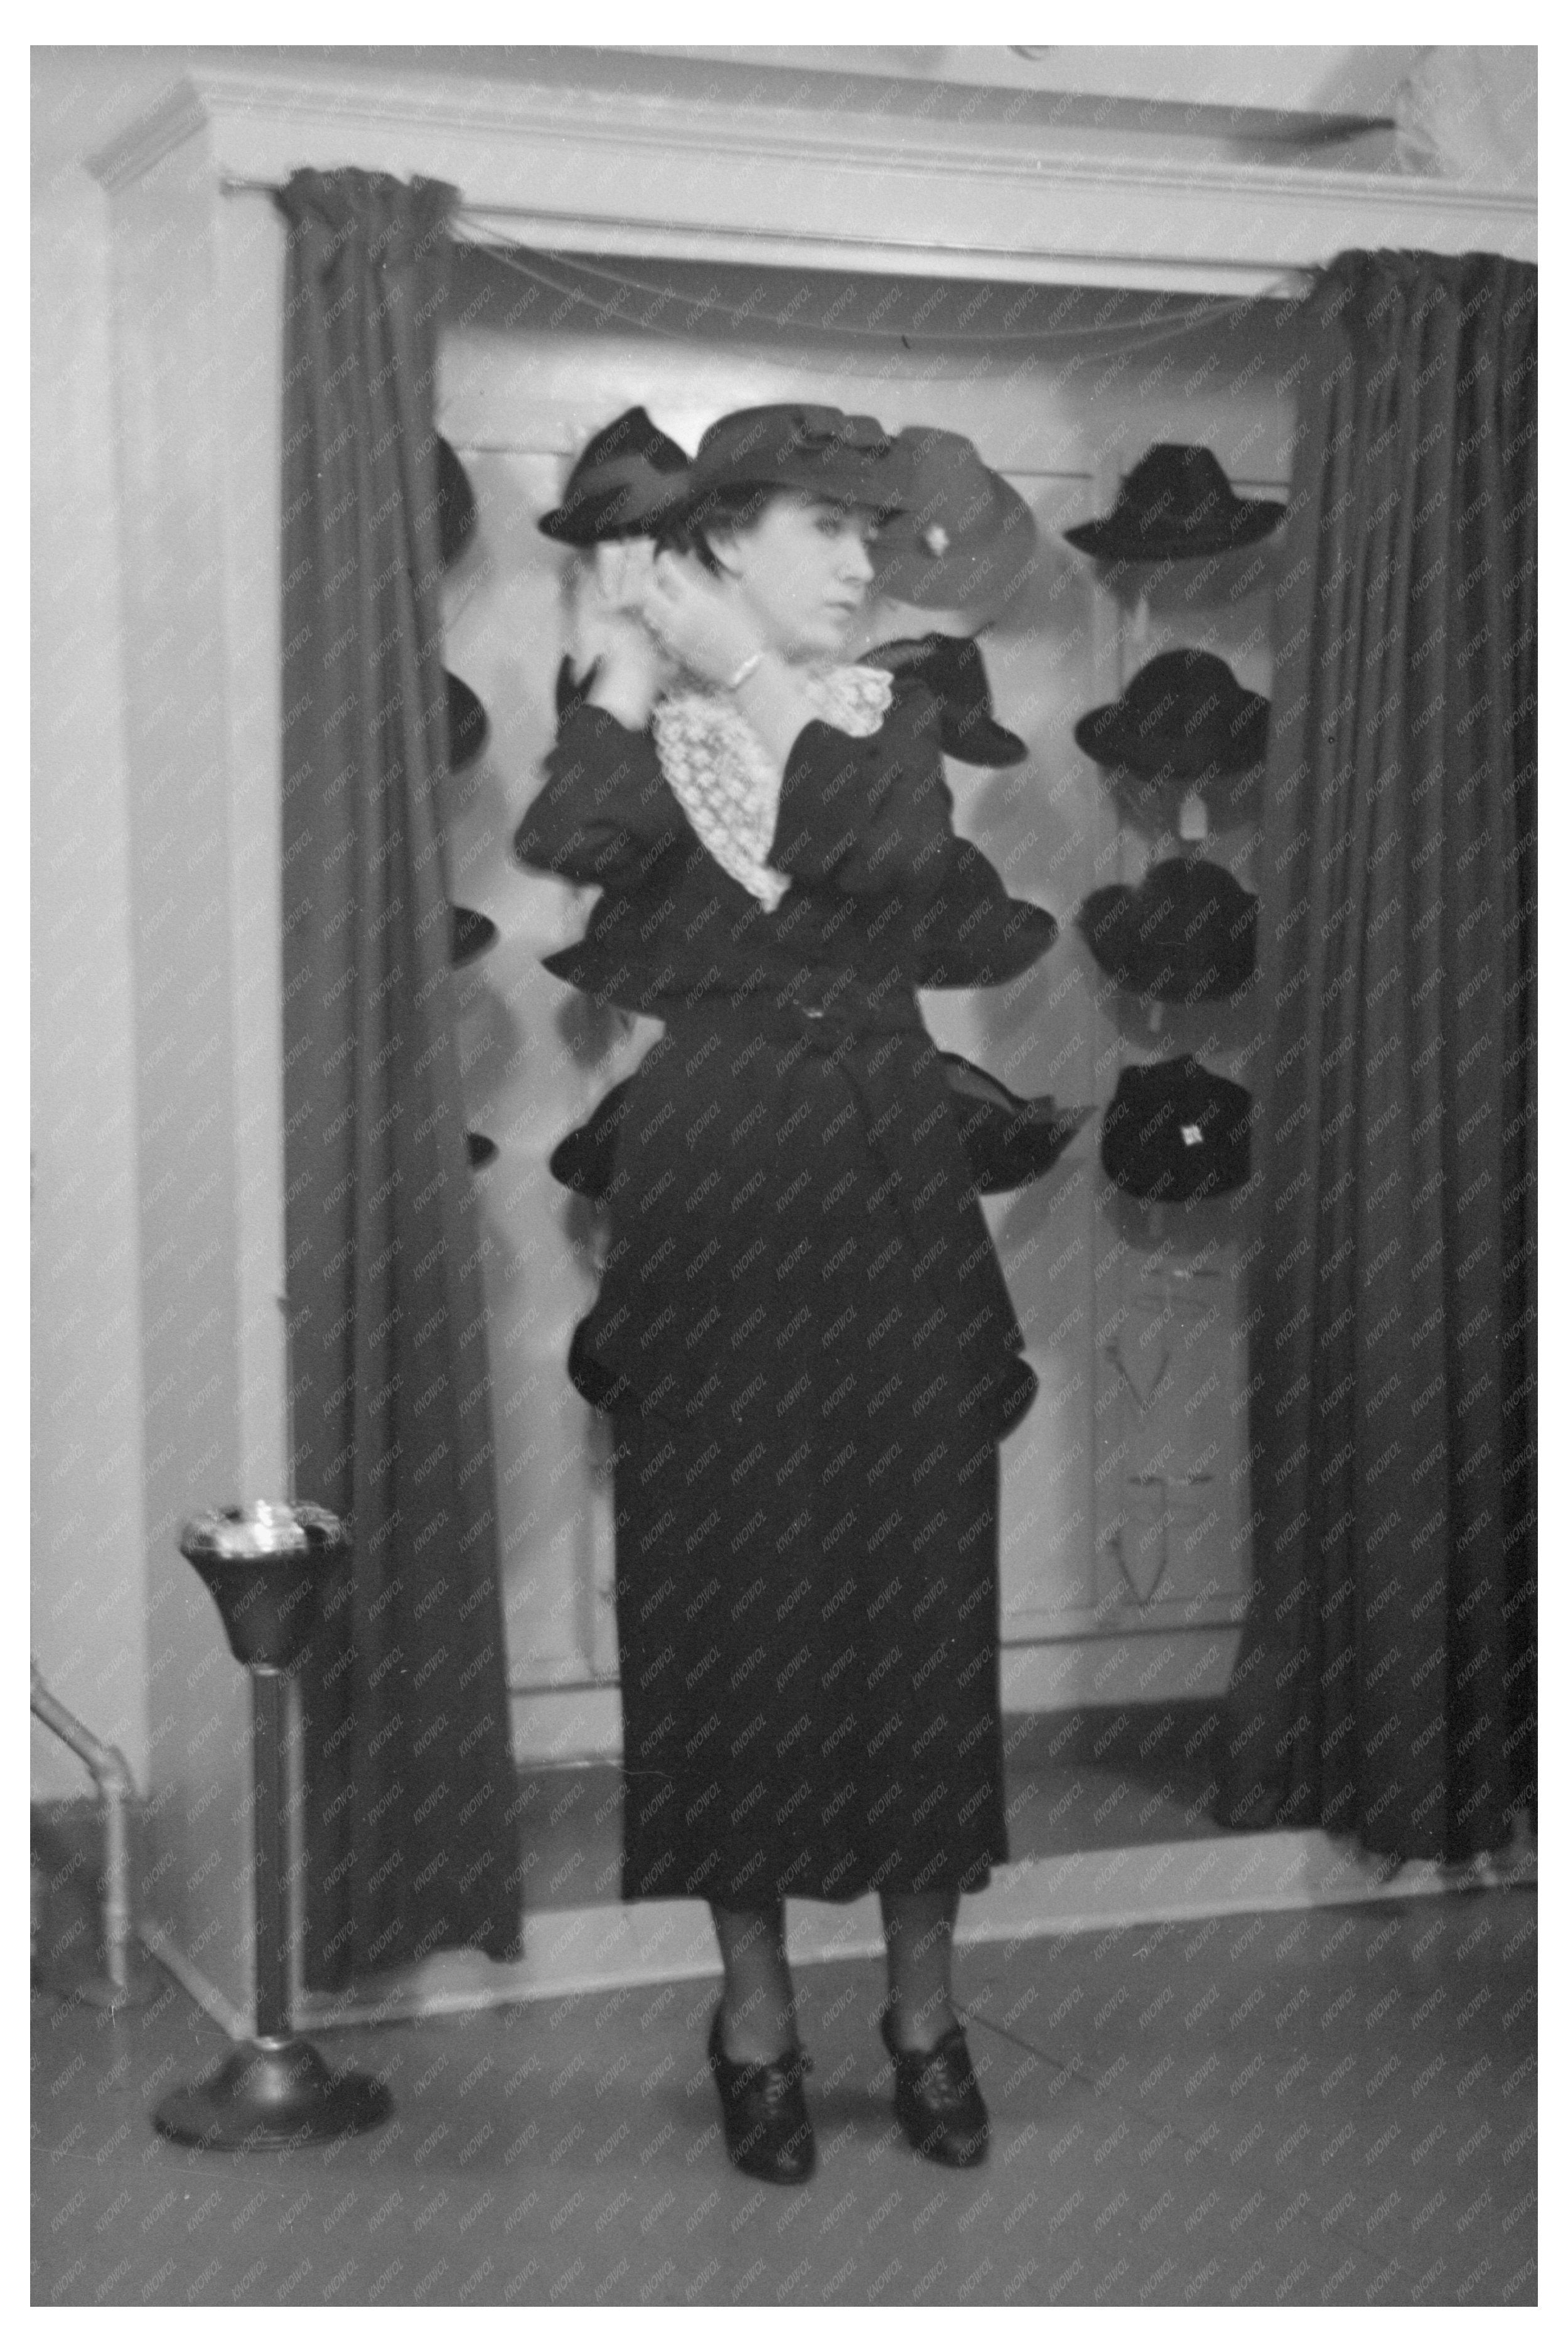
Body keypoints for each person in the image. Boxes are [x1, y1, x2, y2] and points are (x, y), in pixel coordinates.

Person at [514, 404, 1056, 2186]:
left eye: (869, 531)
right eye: (827, 525)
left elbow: (872, 862)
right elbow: (572, 840)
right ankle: (750, 2005)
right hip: (716, 1191)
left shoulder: (891, 704)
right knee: (723, 1595)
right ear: (721, 531)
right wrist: (615, 661)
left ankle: (921, 2007)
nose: (861, 560)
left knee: (912, 1590)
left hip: (885, 1185)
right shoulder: (640, 723)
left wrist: (740, 660)